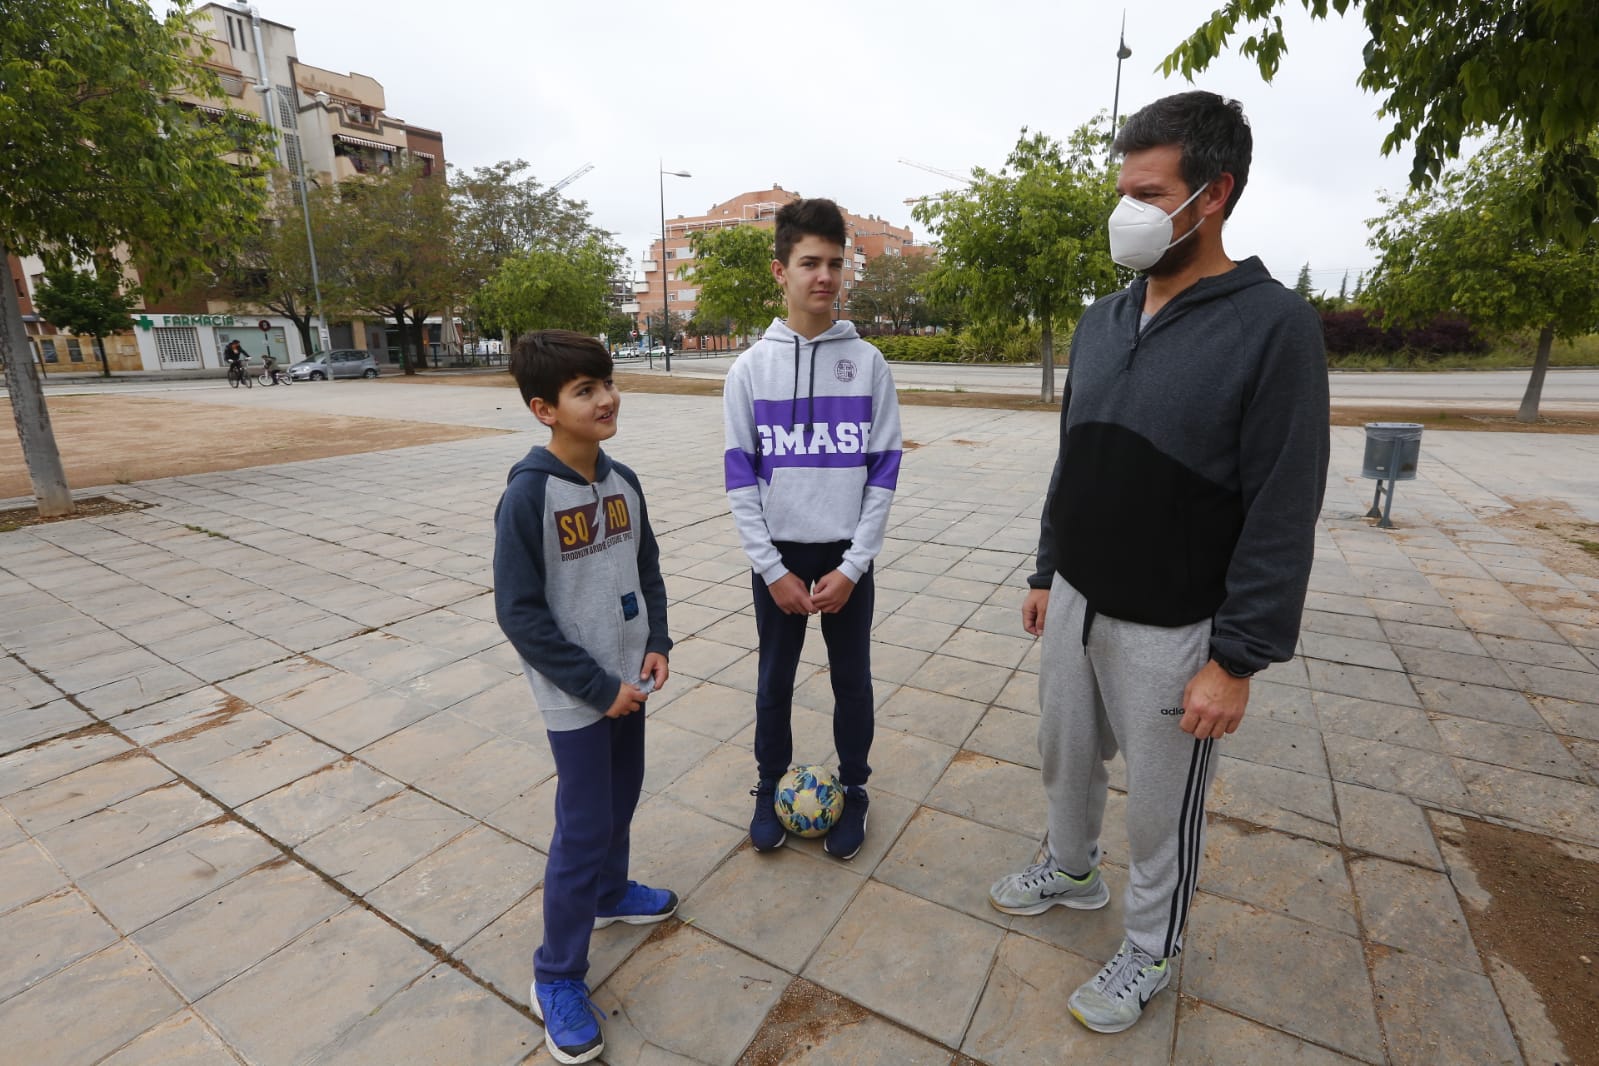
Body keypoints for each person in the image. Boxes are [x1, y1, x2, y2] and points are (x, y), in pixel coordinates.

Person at [988, 91, 1330, 1034]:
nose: (1125, 211)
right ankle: (1068, 868)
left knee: (1160, 811)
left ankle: (1149, 947)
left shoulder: (1274, 328)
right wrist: (1045, 568)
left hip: (1176, 625)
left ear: (1211, 194)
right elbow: (1076, 453)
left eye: (1148, 190)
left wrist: (1236, 660)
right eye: (1122, 189)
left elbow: (1282, 506)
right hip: (1078, 600)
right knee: (1064, 760)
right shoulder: (1102, 319)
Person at [493, 329, 675, 1065]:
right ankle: (556, 976)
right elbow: (519, 613)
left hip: (629, 683)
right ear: (544, 409)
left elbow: (648, 568)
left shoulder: (623, 478)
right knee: (582, 822)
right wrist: (597, 689)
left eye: (605, 382)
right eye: (583, 390)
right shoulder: (528, 495)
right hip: (579, 697)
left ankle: (609, 892)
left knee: (622, 794)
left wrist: (656, 640)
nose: (606, 398)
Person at [723, 198, 903, 860]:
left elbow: (883, 474)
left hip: (844, 556)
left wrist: (854, 565)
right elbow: (740, 479)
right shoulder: (748, 371)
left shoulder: (870, 365)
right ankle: (770, 785)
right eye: (809, 263)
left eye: (835, 263)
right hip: (778, 557)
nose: (823, 276)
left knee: (850, 679)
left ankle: (853, 789)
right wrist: (769, 568)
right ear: (781, 270)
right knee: (774, 679)